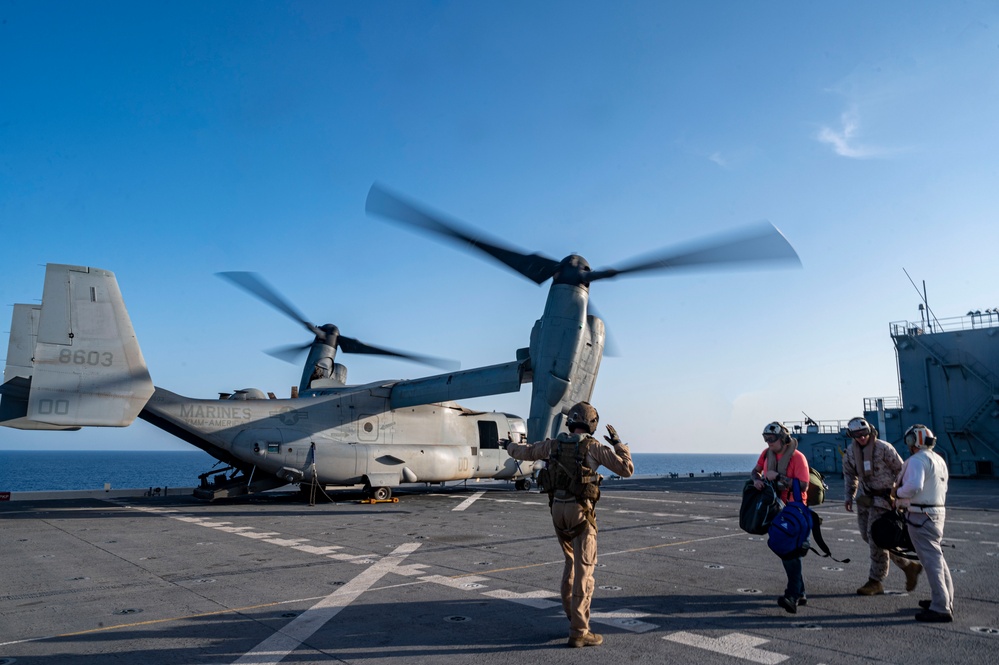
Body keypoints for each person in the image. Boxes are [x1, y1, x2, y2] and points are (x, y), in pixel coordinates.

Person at [505, 401, 634, 648]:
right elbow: (627, 469)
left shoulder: (553, 444)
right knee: (585, 572)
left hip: (557, 512)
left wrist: (509, 445)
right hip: (581, 514)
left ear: (570, 422)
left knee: (570, 563)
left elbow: (527, 451)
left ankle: (571, 614)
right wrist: (618, 444)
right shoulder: (594, 447)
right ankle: (579, 631)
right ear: (592, 424)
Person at [843, 417, 923, 596]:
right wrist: (849, 496)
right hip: (865, 498)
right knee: (868, 536)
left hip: (885, 500)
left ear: (870, 431)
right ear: (851, 435)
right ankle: (909, 566)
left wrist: (900, 497)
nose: (862, 437)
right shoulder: (850, 453)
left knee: (875, 537)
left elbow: (901, 470)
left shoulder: (884, 448)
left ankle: (875, 581)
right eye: (857, 434)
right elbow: (850, 475)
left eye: (864, 433)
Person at [894, 424, 954, 622]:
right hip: (937, 512)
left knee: (931, 561)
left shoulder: (917, 460)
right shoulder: (938, 459)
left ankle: (941, 608)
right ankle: (945, 599)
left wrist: (897, 493)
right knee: (938, 559)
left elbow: (913, 486)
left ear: (913, 441)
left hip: (921, 515)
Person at [750, 421, 810, 614]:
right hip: (775, 508)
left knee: (789, 552)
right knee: (788, 551)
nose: (769, 442)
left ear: (783, 438)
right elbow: (755, 470)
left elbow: (803, 486)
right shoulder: (766, 454)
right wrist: (757, 480)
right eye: (766, 438)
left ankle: (792, 595)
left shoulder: (798, 458)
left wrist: (777, 477)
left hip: (794, 509)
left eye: (772, 439)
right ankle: (799, 593)